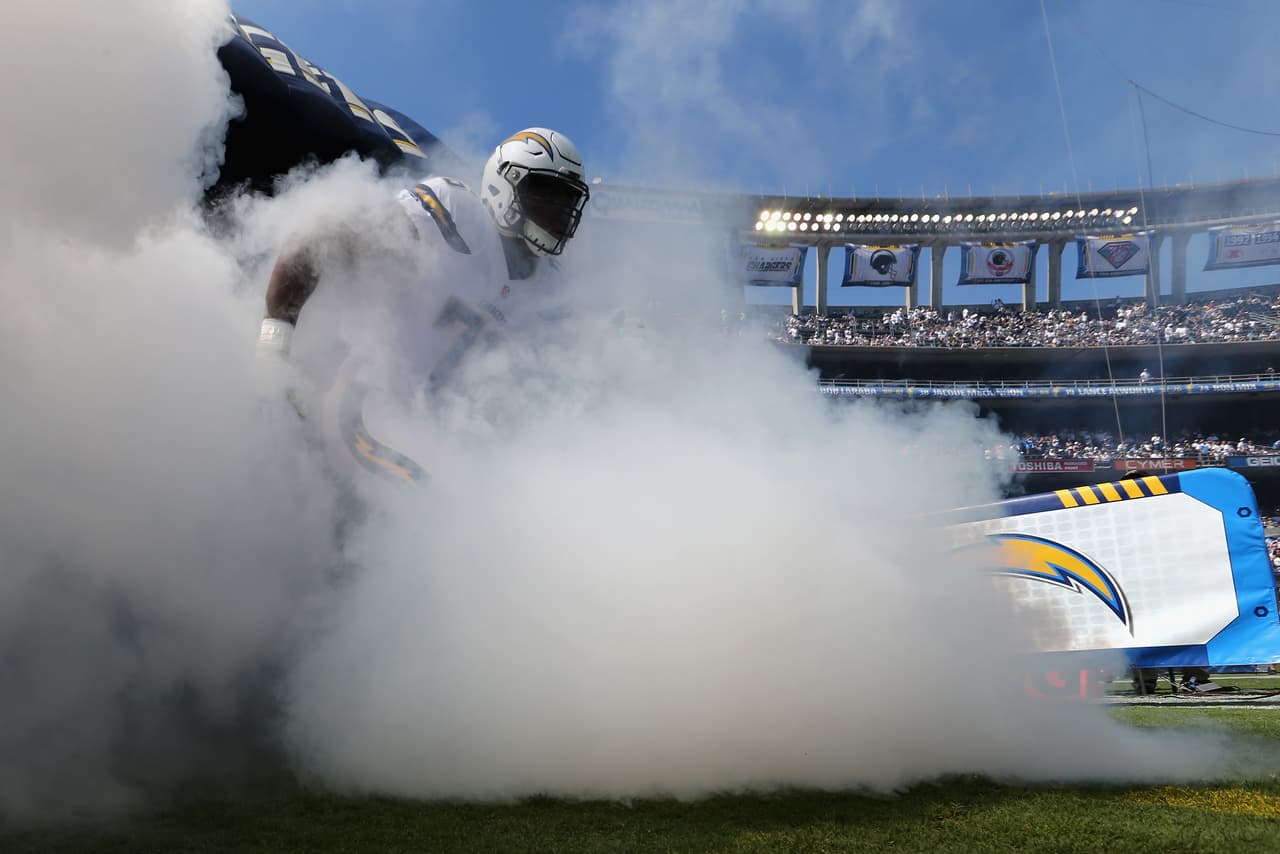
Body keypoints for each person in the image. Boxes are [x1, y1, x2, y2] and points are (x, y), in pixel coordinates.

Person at [257, 127, 590, 492]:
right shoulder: (459, 216)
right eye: (546, 194)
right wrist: (275, 344)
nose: (558, 211)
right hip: (364, 408)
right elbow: (321, 232)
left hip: (429, 440)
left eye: (567, 202)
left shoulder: (550, 290)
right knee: (428, 510)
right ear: (504, 185)